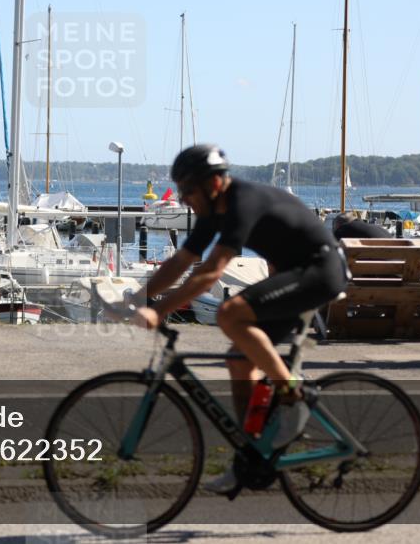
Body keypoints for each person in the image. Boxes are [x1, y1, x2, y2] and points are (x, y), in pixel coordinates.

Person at [129, 144, 349, 493]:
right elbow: (181, 263)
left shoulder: (241, 202)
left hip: (320, 270)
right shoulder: (211, 212)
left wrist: (159, 310)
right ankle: (252, 456)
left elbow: (210, 274)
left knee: (230, 313)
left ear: (213, 183)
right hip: (295, 273)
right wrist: (136, 297)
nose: (183, 198)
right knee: (239, 360)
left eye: (187, 190)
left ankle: (294, 395)